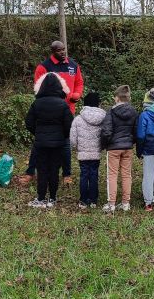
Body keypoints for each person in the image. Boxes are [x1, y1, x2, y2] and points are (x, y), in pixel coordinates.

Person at [19, 41, 84, 186]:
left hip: (68, 110)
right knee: (39, 143)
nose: (63, 52)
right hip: (47, 110)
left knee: (65, 143)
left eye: (64, 50)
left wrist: (77, 94)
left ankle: (67, 174)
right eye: (59, 50)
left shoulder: (73, 65)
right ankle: (30, 172)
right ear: (52, 51)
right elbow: (38, 87)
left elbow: (79, 82)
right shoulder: (44, 67)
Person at [26, 73, 73, 209]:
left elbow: (29, 123)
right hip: (58, 143)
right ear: (59, 87)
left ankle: (41, 198)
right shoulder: (63, 105)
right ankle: (52, 198)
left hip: (41, 142)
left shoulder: (37, 103)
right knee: (54, 170)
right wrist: (62, 135)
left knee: (42, 170)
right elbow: (69, 125)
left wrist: (38, 133)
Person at [101, 85, 138, 212]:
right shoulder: (133, 111)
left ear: (117, 98)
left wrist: (105, 144)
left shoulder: (110, 111)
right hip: (127, 146)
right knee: (127, 175)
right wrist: (131, 142)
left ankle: (111, 203)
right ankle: (125, 203)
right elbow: (136, 130)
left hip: (114, 147)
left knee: (112, 174)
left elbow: (106, 131)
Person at [70, 92, 106, 209]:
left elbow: (73, 139)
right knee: (94, 175)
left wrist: (77, 147)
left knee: (84, 175)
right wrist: (101, 147)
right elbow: (105, 135)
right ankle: (94, 200)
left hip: (83, 153)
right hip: (96, 153)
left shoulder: (78, 119)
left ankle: (84, 200)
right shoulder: (103, 118)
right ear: (98, 103)